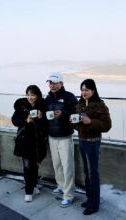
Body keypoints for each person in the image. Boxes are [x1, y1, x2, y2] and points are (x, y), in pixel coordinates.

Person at [73, 79, 111, 215]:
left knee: (93, 173)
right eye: (82, 90)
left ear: (93, 91)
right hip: (82, 141)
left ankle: (94, 204)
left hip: (93, 142)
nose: (84, 93)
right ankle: (90, 199)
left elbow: (107, 125)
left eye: (87, 90)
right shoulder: (80, 104)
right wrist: (74, 122)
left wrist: (91, 122)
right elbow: (78, 125)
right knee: (87, 173)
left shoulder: (100, 105)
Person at [45, 72, 78, 208]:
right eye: (50, 83)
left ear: (61, 84)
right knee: (57, 165)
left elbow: (77, 112)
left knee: (67, 167)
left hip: (65, 136)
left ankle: (69, 194)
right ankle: (61, 185)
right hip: (52, 136)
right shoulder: (47, 98)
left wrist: (64, 114)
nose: (52, 85)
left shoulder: (69, 97)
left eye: (55, 83)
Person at [11, 85, 48, 202]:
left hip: (38, 141)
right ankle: (28, 191)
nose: (30, 97)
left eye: (33, 95)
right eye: (28, 95)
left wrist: (42, 118)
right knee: (27, 167)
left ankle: (34, 186)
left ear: (38, 95)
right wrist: (25, 121)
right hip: (26, 142)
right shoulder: (22, 106)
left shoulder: (43, 106)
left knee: (36, 165)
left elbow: (47, 124)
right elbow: (14, 120)